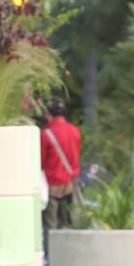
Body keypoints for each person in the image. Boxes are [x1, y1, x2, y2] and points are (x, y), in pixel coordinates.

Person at [40, 98, 82, 231]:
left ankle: (52, 252)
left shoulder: (46, 133)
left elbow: (41, 161)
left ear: (47, 113)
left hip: (52, 186)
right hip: (70, 184)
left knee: (50, 226)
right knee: (69, 223)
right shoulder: (75, 131)